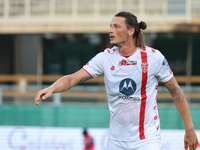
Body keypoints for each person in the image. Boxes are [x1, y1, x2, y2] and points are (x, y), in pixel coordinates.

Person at [35, 11, 198, 150]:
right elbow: (72, 79)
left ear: (130, 31)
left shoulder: (153, 57)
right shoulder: (105, 58)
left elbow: (175, 91)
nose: (110, 30)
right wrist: (52, 88)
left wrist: (189, 128)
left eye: (116, 26)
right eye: (110, 26)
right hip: (115, 141)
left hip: (147, 140)